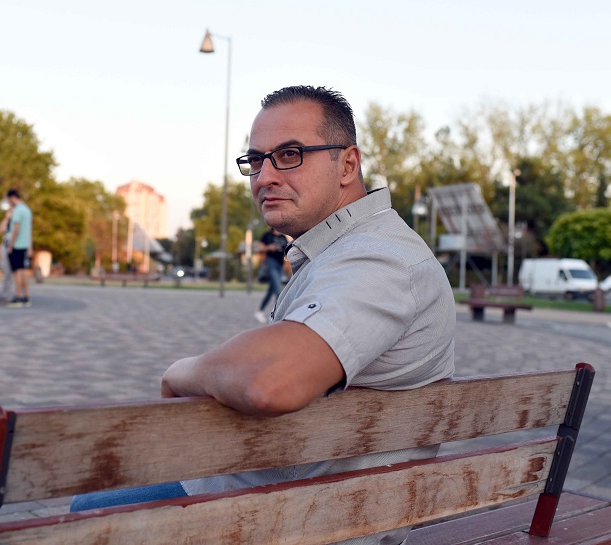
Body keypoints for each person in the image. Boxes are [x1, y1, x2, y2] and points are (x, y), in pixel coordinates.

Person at [72, 86, 456, 545]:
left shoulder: (380, 262)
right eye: (256, 160)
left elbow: (268, 381)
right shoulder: (352, 251)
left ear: (347, 164)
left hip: (290, 520)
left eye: (290, 155)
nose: (265, 176)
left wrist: (182, 372)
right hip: (298, 503)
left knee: (88, 512)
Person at [254, 226, 289, 323]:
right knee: (278, 290)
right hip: (270, 263)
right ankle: (278, 316)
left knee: (272, 290)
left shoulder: (283, 237)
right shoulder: (267, 235)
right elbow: (260, 248)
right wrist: (269, 247)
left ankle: (260, 311)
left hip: (280, 265)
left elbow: (286, 251)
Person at [5, 189, 33, 307]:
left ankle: (18, 297)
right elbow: (29, 230)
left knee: (17, 272)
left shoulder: (17, 211)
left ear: (12, 198)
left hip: (17, 245)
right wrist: (30, 246)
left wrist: (10, 246)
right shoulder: (27, 210)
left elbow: (16, 229)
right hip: (25, 245)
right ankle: (26, 297)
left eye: (9, 200)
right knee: (23, 271)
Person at [0, 205, 15, 302]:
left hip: (14, 246)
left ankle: (8, 293)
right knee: (6, 269)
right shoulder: (7, 222)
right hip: (5, 245)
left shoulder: (17, 222)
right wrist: (6, 218)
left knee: (11, 271)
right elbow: (0, 230)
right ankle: (4, 293)